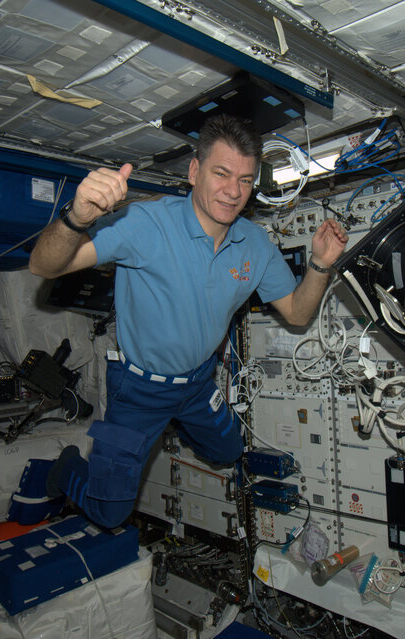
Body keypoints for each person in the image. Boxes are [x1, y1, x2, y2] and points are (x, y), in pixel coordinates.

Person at [28, 114, 348, 528]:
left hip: (198, 383)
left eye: (246, 180)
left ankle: (177, 424)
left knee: (229, 451)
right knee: (110, 514)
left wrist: (320, 265)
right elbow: (42, 265)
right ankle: (66, 469)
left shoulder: (255, 243)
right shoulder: (144, 224)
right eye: (222, 173)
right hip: (139, 390)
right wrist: (77, 218)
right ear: (194, 170)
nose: (234, 192)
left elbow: (297, 312)